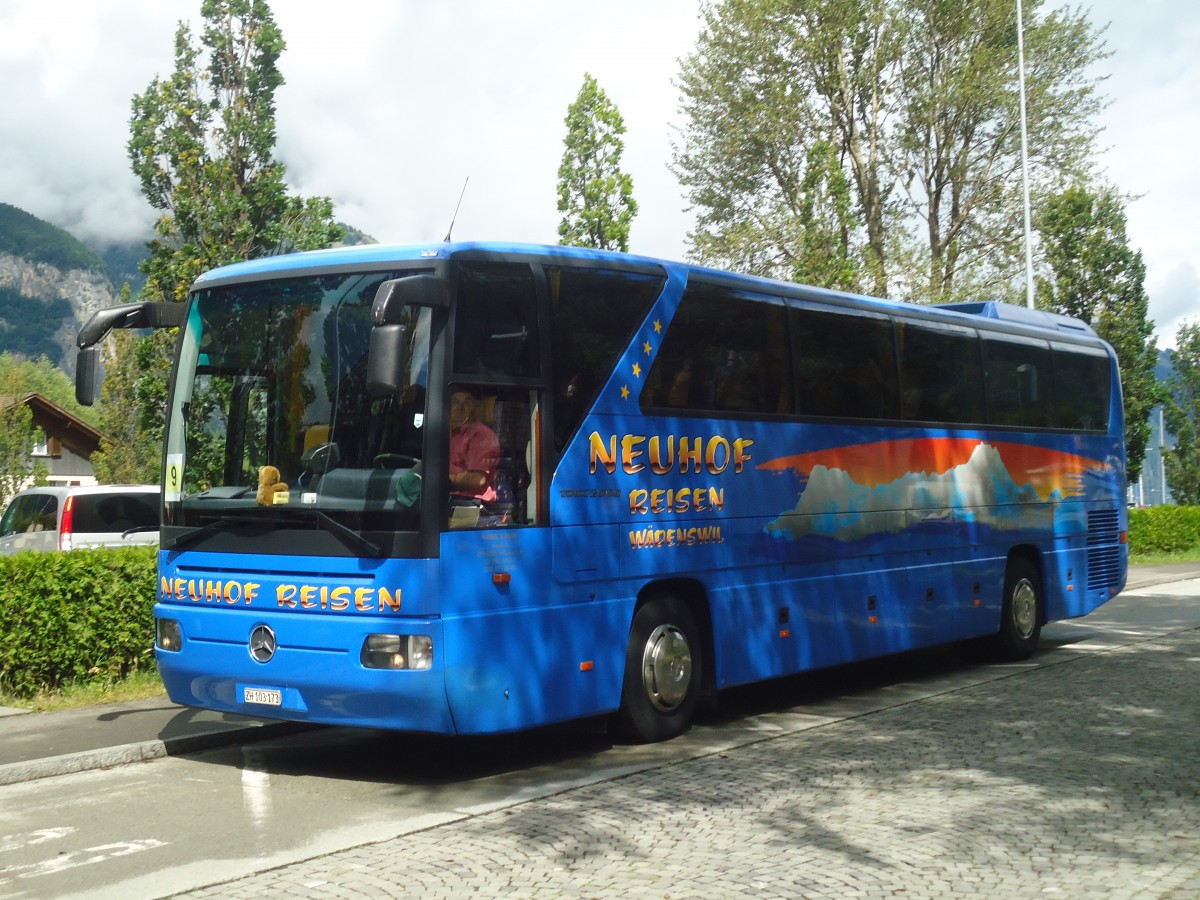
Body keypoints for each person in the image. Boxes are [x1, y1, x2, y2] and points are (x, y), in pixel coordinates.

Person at [448, 388, 500, 501]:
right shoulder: (447, 432)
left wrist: (443, 479)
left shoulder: (481, 435)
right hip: (446, 496)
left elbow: (477, 480)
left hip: (470, 503)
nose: (460, 407)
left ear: (473, 407)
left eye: (466, 403)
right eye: (455, 401)